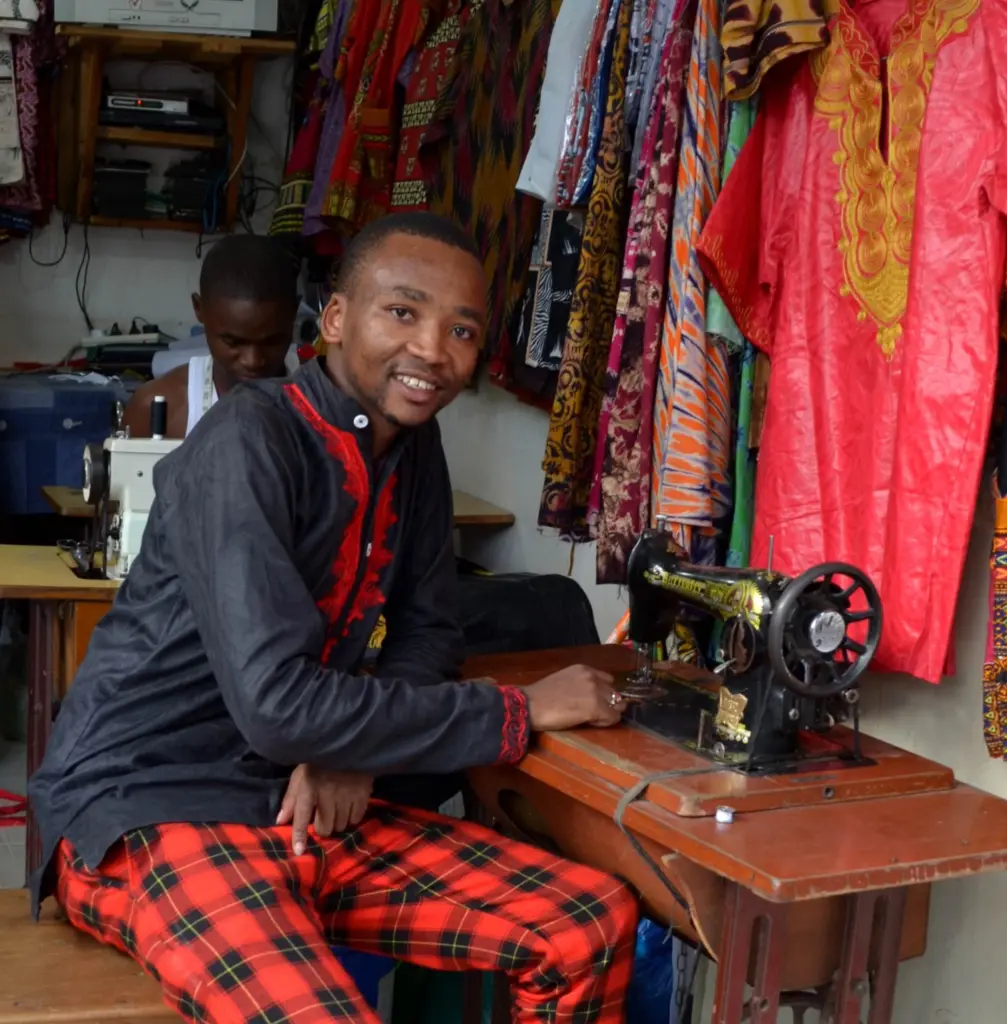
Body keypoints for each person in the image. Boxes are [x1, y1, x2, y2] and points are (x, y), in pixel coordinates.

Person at [29, 211, 638, 1024]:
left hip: (295, 795)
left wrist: (352, 752)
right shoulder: (250, 439)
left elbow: (429, 633)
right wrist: (518, 710)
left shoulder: (413, 450)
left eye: (462, 329)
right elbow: (278, 705)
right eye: (404, 312)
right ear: (337, 320)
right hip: (151, 802)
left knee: (584, 925)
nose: (432, 348)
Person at [124, 234, 300, 439]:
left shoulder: (326, 402)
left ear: (295, 312)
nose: (252, 361)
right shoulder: (157, 409)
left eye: (271, 342)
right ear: (199, 309)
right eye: (233, 342)